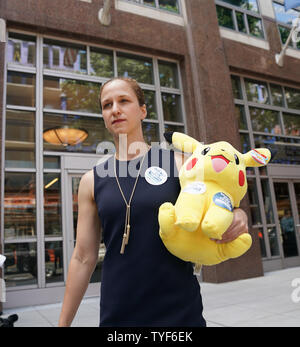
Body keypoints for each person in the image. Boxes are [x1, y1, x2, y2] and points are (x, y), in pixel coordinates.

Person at [58, 77, 249, 327]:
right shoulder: (91, 181)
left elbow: (217, 199)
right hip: (118, 313)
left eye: (124, 101)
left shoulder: (180, 163)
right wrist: (63, 325)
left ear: (142, 110)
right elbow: (83, 257)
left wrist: (237, 213)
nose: (115, 109)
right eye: (107, 105)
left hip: (179, 311)